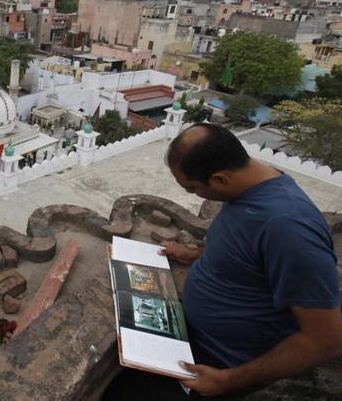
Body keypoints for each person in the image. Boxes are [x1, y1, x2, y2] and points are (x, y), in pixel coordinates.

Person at [104, 123, 342, 400]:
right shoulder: (251, 186)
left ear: (220, 179)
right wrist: (195, 253)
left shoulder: (289, 230)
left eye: (193, 189)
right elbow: (240, 242)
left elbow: (326, 340)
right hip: (186, 335)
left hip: (220, 362)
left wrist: (227, 381)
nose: (193, 195)